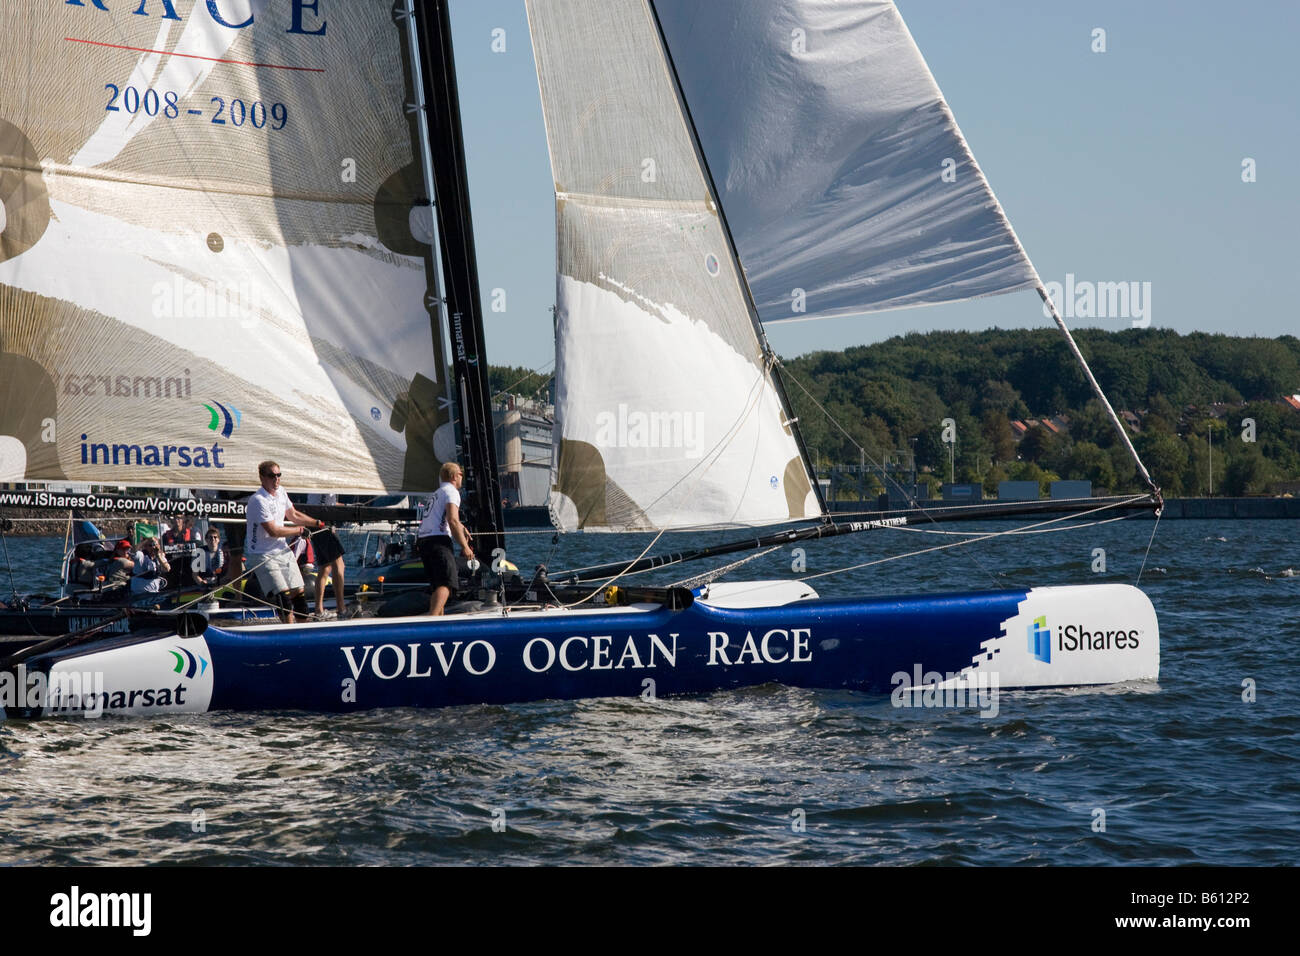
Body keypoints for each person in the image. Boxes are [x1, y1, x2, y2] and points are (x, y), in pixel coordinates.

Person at [245, 460, 327, 623]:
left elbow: (293, 515)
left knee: (299, 594)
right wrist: (299, 531)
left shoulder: (281, 491)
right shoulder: (258, 500)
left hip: (281, 550)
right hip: (262, 554)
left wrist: (317, 523)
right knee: (283, 599)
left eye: (278, 475)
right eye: (271, 476)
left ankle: (303, 634)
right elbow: (273, 530)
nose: (276, 479)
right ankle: (289, 633)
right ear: (262, 478)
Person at [417, 461, 474, 615]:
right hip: (438, 541)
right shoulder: (452, 492)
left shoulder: (437, 493)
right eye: (461, 475)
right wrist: (465, 547)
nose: (462, 478)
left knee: (437, 586)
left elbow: (441, 516)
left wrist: (462, 527)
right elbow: (452, 520)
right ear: (455, 476)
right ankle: (431, 621)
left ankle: (438, 620)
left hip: (424, 540)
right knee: (446, 584)